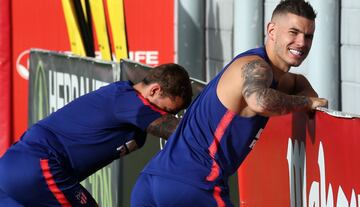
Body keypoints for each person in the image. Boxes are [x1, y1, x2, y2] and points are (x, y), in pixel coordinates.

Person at [131, 0, 328, 206]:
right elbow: (260, 101)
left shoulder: (266, 72)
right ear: (272, 30)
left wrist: (308, 95)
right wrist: (307, 103)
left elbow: (296, 81)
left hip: (152, 181)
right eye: (293, 32)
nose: (301, 43)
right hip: (195, 183)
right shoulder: (256, 67)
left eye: (308, 36)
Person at [0, 63, 193, 206]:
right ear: (154, 90)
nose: (167, 115)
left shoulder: (130, 107)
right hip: (39, 164)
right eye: (167, 110)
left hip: (13, 167)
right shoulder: (126, 99)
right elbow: (175, 130)